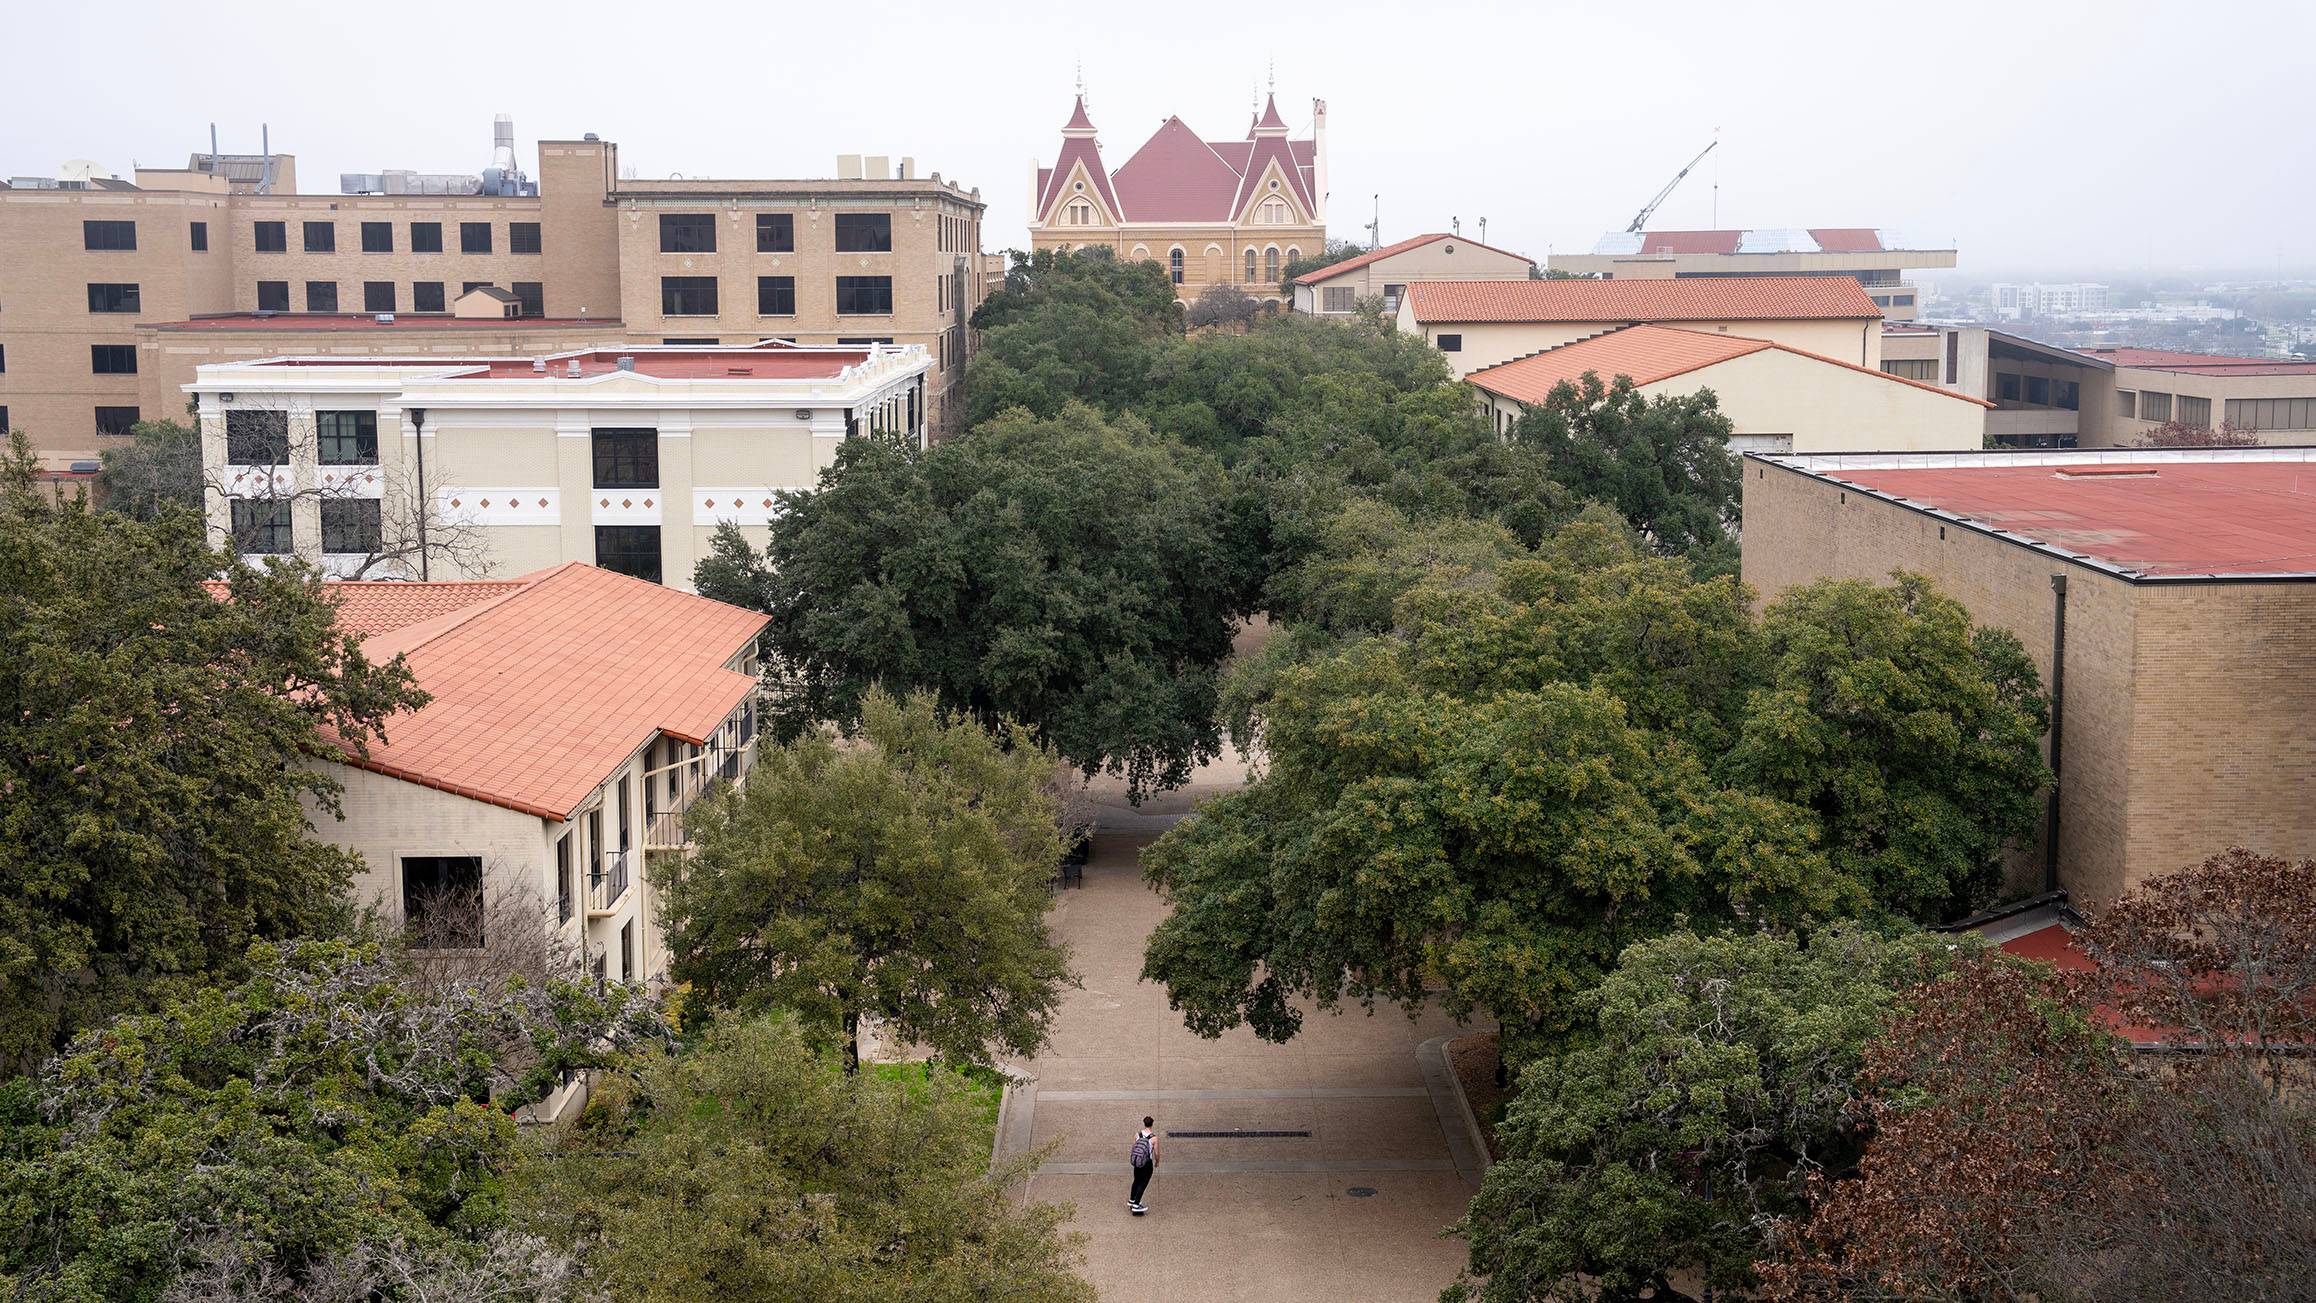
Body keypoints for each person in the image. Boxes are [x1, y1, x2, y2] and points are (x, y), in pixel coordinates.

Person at [1128, 1116, 1159, 1214]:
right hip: (1147, 1163)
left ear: (1144, 1123)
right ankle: (1136, 1205)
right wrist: (1157, 1162)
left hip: (1137, 1161)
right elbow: (1157, 1153)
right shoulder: (1154, 1138)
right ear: (1152, 1124)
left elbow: (1134, 1148)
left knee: (1136, 1180)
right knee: (1143, 1183)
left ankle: (1132, 1200)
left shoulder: (1137, 1134)